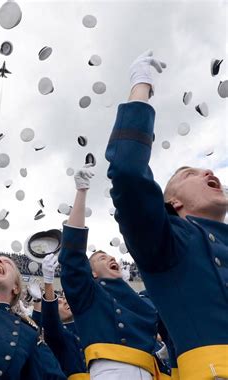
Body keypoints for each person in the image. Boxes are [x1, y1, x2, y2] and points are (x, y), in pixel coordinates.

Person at [105, 49, 228, 379]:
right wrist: (140, 85)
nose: (205, 173)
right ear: (173, 204)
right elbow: (128, 172)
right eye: (190, 174)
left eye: (207, 170)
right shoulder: (169, 240)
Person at [58, 167, 160, 380]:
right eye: (102, 259)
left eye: (112, 257)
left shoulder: (144, 300)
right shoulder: (90, 295)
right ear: (92, 273)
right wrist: (81, 192)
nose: (112, 259)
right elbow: (72, 255)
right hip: (112, 372)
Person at [40, 254, 88, 379]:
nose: (66, 302)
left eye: (65, 299)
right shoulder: (56, 333)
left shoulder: (85, 326)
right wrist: (48, 281)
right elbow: (50, 318)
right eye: (59, 303)